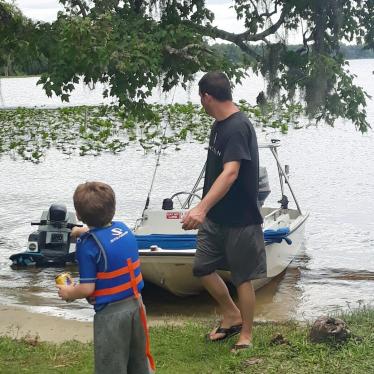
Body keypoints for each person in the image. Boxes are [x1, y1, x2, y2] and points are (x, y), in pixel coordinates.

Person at [181, 72, 266, 352]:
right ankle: (231, 315)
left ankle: (246, 335)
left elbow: (231, 173)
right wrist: (207, 208)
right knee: (203, 268)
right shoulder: (218, 126)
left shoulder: (237, 127)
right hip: (216, 217)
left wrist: (201, 208)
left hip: (241, 219)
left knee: (243, 277)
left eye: (200, 99)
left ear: (207, 96)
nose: (201, 104)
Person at [57, 181, 155, 373]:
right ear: (113, 208)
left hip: (111, 314)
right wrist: (80, 231)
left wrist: (69, 293)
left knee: (111, 364)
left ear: (78, 215)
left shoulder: (87, 246)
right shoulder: (123, 229)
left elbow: (87, 289)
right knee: (139, 361)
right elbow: (103, 233)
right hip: (137, 305)